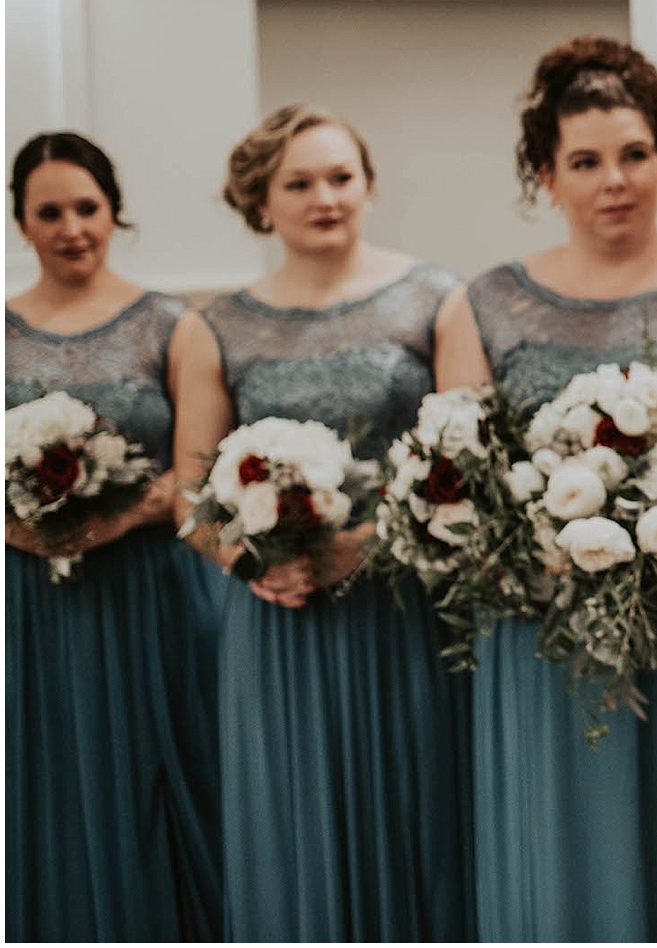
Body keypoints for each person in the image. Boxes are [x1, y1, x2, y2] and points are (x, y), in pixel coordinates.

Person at [434, 37, 657, 941]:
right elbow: (457, 479)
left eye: (636, 153)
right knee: (564, 856)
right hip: (541, 626)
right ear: (546, 176)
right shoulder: (483, 305)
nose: (614, 179)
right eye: (585, 161)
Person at [196, 105, 474, 940]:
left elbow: (465, 453)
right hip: (277, 613)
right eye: (301, 182)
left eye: (342, 177)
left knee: (415, 806)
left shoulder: (434, 297)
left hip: (404, 600)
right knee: (288, 814)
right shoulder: (219, 324)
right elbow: (188, 484)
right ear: (261, 200)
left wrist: (370, 540)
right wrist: (251, 565)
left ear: (368, 185)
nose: (326, 197)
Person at [4, 132, 226, 940]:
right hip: (26, 598)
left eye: (86, 207)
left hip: (146, 588)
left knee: (157, 780)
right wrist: (17, 524)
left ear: (114, 210)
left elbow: (195, 476)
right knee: (45, 778)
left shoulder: (172, 325)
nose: (71, 227)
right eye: (49, 211)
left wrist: (116, 516)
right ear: (21, 221)